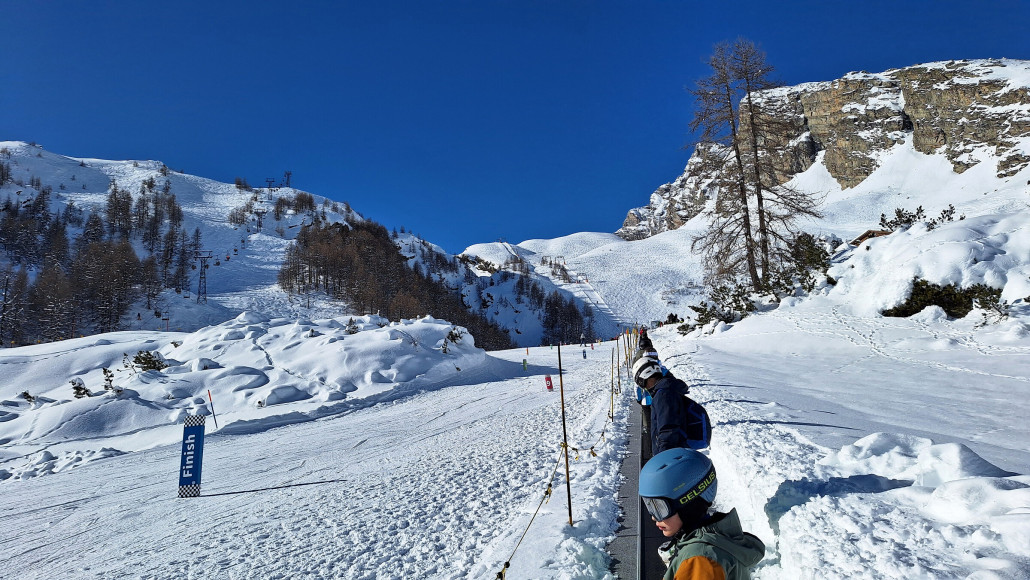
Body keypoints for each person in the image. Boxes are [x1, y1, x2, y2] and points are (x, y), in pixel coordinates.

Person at [639, 447, 765, 579]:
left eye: (660, 508)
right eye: (650, 506)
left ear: (688, 505)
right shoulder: (714, 538)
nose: (653, 517)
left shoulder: (700, 562)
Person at [633, 356, 700, 454]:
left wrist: (662, 460)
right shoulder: (665, 389)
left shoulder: (663, 395)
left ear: (644, 377)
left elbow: (668, 431)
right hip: (677, 451)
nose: (644, 388)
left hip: (671, 456)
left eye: (642, 384)